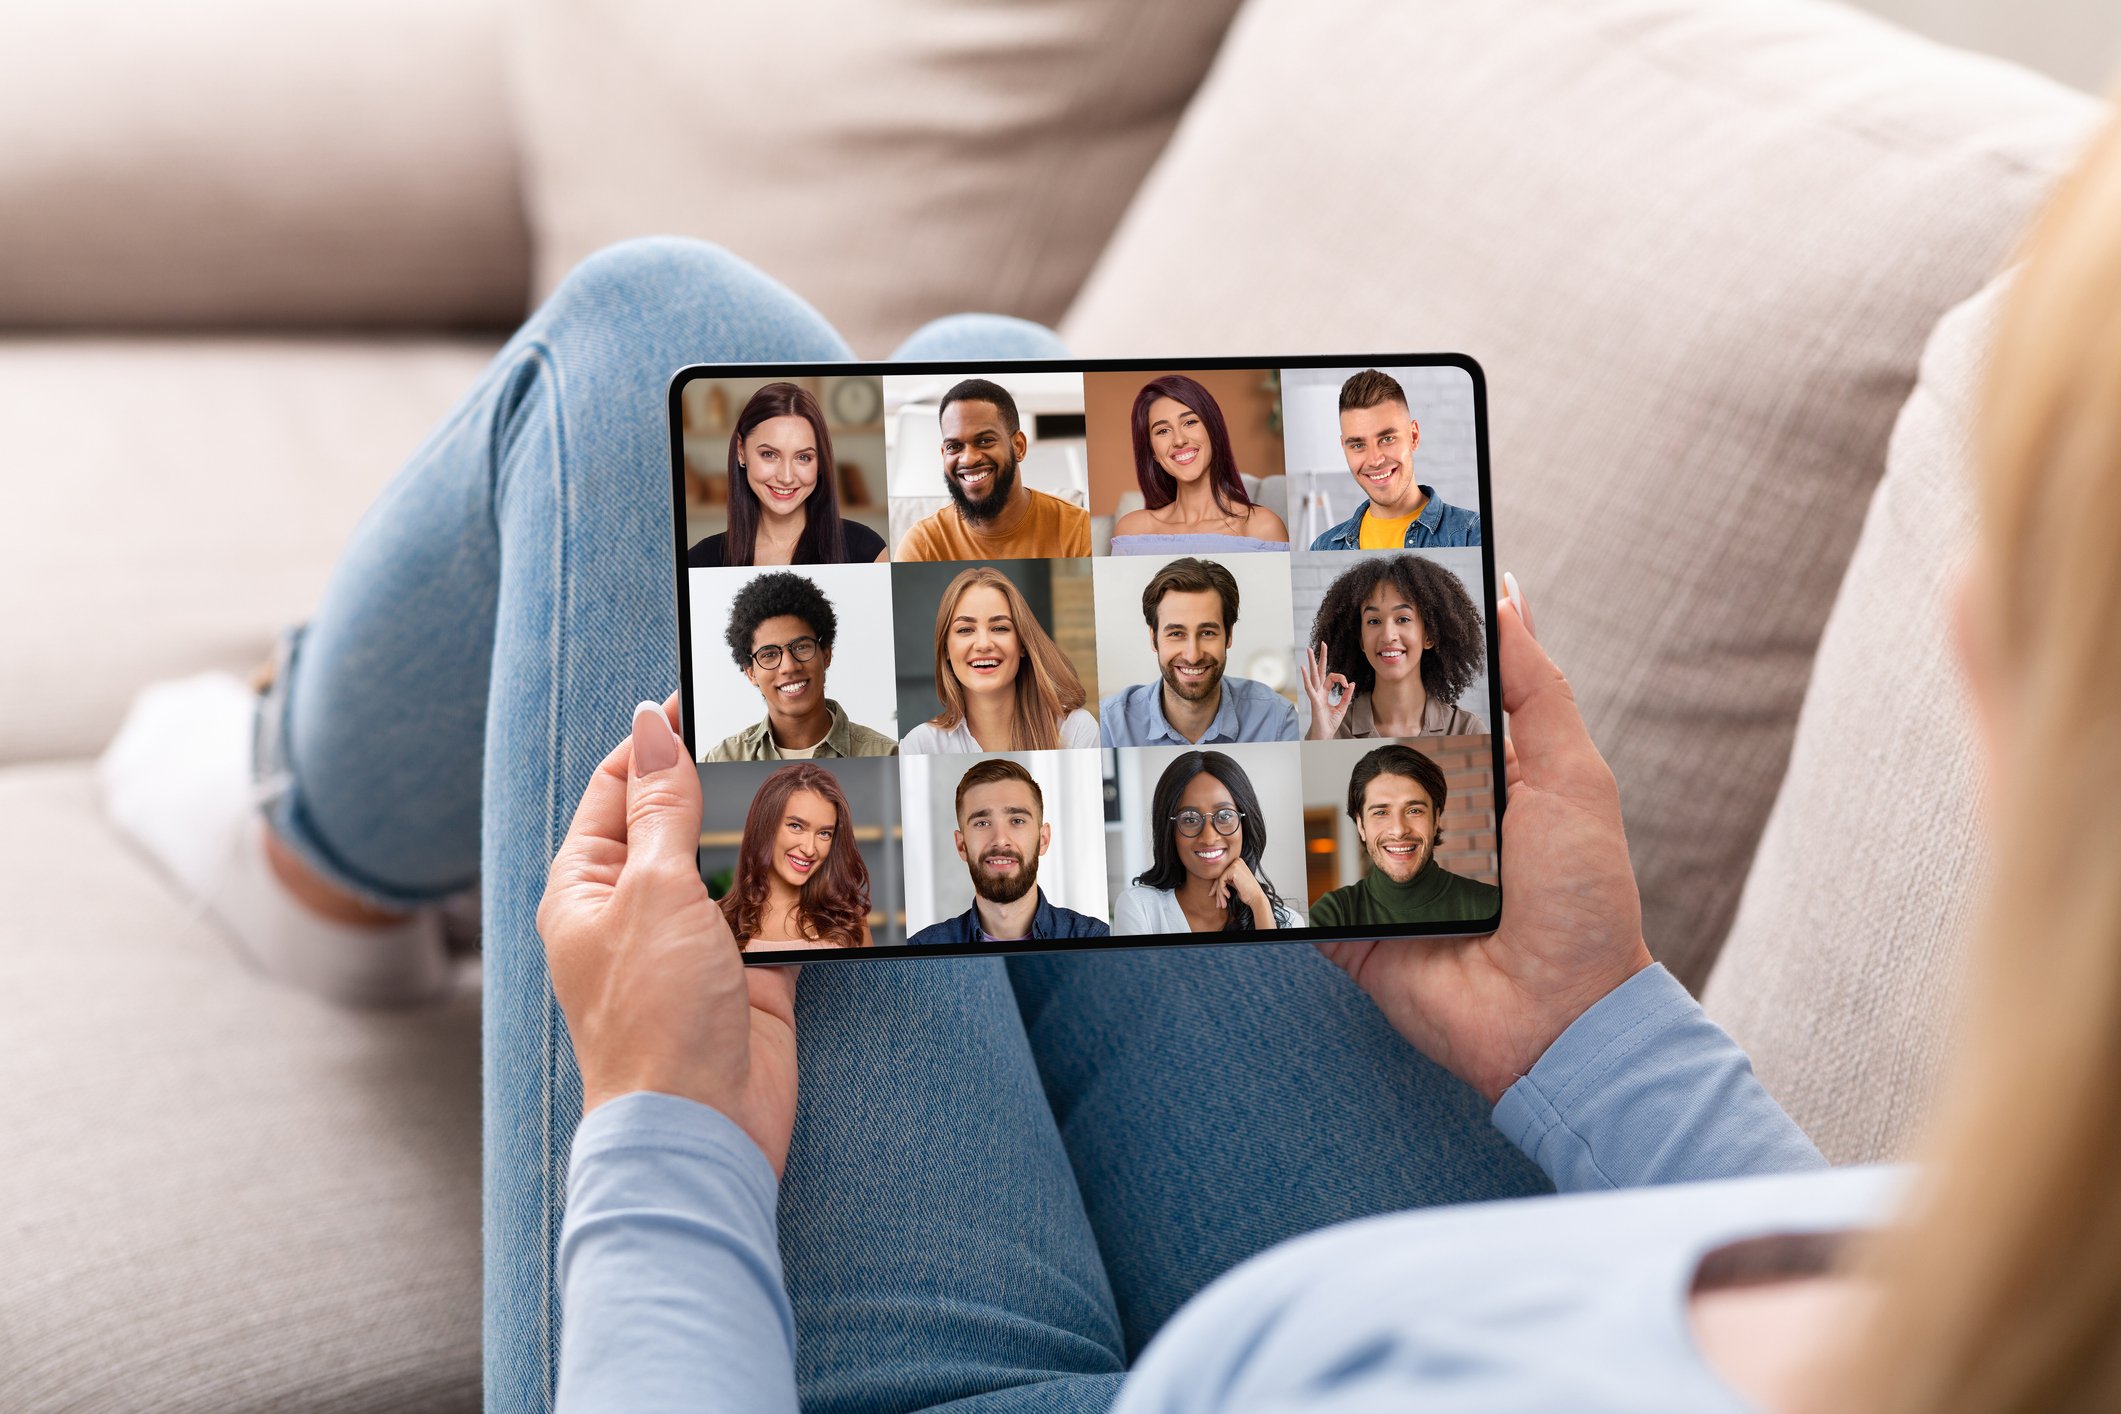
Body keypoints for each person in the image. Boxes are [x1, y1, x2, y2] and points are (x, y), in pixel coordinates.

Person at [902, 759, 1109, 946]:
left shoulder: (1096, 939)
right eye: (982, 823)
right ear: (961, 845)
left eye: (1017, 821)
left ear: (1043, 839)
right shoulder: (921, 947)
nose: (1000, 839)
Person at [899, 565, 1100, 753]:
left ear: (1022, 643)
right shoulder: (919, 745)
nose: (983, 644)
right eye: (965, 630)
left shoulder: (1075, 730)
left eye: (1000, 628)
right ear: (945, 650)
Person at [1100, 557, 1298, 746]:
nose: (1192, 656)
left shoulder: (1277, 719)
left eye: (1207, 633)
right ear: (1153, 638)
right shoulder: (1110, 725)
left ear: (1229, 636)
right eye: (1176, 633)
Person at [686, 381, 888, 566]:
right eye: (769, 454)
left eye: (803, 457)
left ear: (820, 463)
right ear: (741, 451)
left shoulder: (866, 551)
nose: (786, 477)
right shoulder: (700, 561)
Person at [705, 571, 896, 760]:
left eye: (801, 646)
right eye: (769, 654)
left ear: (826, 654)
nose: (789, 666)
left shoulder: (887, 755)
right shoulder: (721, 759)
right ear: (751, 673)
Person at [894, 377, 1092, 560]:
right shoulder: (921, 547)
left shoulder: (1078, 531)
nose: (968, 459)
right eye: (954, 446)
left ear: (1019, 447)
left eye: (984, 441)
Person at [1307, 743, 1498, 929]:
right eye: (1381, 813)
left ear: (1436, 818)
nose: (1398, 830)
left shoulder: (1491, 906)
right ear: (1361, 825)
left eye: (1414, 810)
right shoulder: (1331, 916)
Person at [1111, 751, 1301, 935]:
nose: (1209, 838)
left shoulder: (1289, 922)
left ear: (1246, 822)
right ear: (1169, 831)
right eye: (1190, 819)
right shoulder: (1140, 909)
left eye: (1225, 816)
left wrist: (1259, 903)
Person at [1301, 552, 1487, 739]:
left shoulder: (1467, 729)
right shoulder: (1330, 730)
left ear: (1429, 636)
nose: (1388, 636)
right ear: (1361, 641)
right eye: (1374, 621)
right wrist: (1320, 738)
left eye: (1403, 619)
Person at [1108, 375, 1290, 555]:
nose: (1179, 440)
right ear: (1153, 452)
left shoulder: (1263, 528)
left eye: (1190, 422)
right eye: (1163, 431)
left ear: (1213, 430)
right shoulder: (1132, 531)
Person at [1307, 368, 1481, 550]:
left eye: (1387, 439)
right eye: (1358, 445)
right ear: (1344, 448)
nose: (1374, 460)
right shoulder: (1323, 547)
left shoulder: (1471, 534)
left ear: (1413, 436)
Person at [717, 762, 873, 952]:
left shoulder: (849, 920)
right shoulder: (717, 920)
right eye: (796, 826)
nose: (809, 849)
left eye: (824, 833)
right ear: (766, 826)